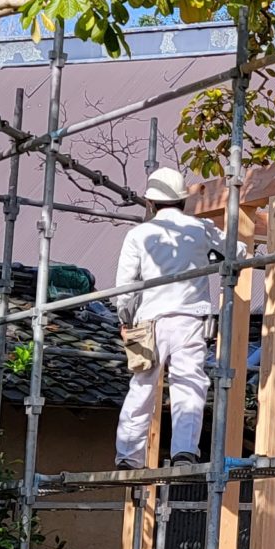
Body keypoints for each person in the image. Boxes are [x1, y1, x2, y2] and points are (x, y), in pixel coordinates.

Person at [112, 166, 224, 467]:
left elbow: (125, 287)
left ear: (150, 203)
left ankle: (129, 455)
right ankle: (184, 451)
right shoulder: (201, 229)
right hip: (190, 318)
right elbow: (235, 251)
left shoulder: (138, 235)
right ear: (184, 200)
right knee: (188, 383)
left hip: (147, 321)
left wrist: (126, 320)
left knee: (142, 384)